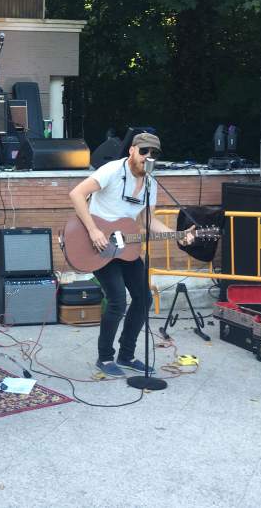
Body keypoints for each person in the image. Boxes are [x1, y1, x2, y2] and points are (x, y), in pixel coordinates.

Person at [69, 132, 193, 377]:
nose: (148, 156)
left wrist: (176, 234)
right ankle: (105, 358)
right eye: (144, 151)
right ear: (132, 150)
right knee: (117, 301)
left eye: (154, 153)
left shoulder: (151, 183)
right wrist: (93, 230)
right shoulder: (112, 170)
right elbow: (76, 194)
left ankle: (126, 355)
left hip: (126, 246)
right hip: (99, 245)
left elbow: (147, 220)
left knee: (144, 299)